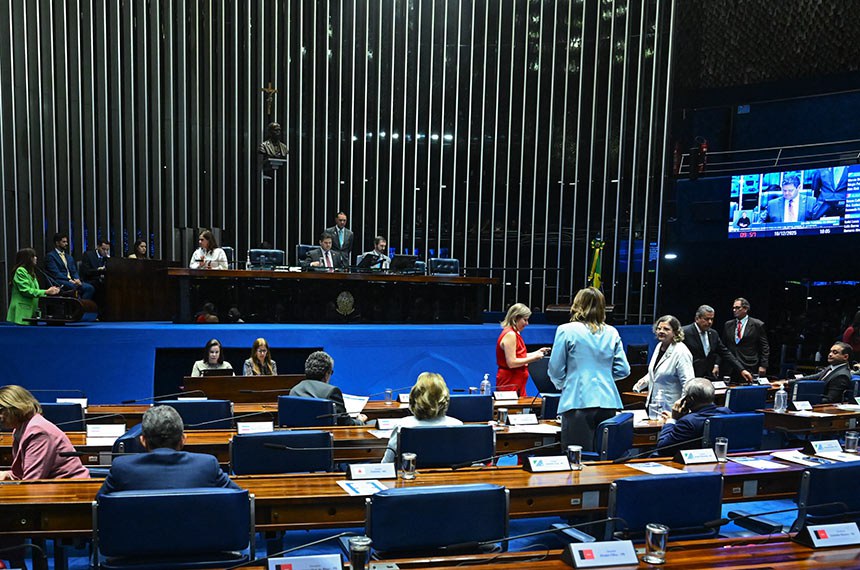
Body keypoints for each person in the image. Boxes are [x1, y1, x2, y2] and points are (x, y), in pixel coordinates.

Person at [548, 288, 631, 451]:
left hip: (577, 401)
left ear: (577, 305)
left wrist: (565, 384)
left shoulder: (566, 330)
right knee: (604, 456)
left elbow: (555, 368)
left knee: (577, 458)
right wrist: (604, 377)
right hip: (608, 402)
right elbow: (624, 370)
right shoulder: (612, 332)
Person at [97, 405, 239, 494]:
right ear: (183, 439)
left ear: (142, 441)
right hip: (196, 541)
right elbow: (238, 499)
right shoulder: (207, 465)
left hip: (138, 541)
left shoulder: (122, 468)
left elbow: (100, 506)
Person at [0, 385, 90, 481]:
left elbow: (32, 480)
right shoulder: (20, 429)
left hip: (70, 489)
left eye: (1, 410)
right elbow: (23, 473)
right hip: (51, 487)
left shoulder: (38, 431)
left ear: (16, 408)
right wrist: (7, 474)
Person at [382, 372, 462, 463]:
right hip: (449, 477)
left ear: (413, 397)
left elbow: (386, 464)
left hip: (411, 475)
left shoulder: (402, 425)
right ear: (445, 399)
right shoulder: (457, 425)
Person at [633, 315, 694, 412]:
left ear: (675, 332)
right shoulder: (659, 346)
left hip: (671, 408)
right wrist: (645, 380)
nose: (661, 331)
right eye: (658, 328)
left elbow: (688, 384)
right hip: (653, 404)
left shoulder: (681, 352)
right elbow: (656, 372)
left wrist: (682, 407)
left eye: (666, 329)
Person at [655, 378, 732, 455]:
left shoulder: (687, 422)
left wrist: (672, 420)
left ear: (689, 399)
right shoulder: (727, 413)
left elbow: (662, 448)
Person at [290, 351, 366, 425]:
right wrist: (360, 421)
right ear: (327, 373)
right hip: (325, 436)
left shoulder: (294, 390)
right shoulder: (331, 391)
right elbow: (345, 423)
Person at [682, 305, 752, 382]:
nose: (710, 322)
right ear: (697, 318)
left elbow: (726, 353)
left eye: (712, 319)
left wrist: (741, 369)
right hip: (689, 377)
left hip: (707, 378)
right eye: (706, 319)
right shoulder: (685, 332)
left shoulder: (713, 334)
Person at [495, 303, 551, 397]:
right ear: (515, 318)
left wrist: (537, 352)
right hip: (509, 383)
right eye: (525, 320)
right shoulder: (510, 335)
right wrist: (534, 358)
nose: (527, 323)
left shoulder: (515, 333)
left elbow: (519, 356)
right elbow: (512, 362)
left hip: (517, 383)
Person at [6, 248, 60, 325]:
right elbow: (26, 291)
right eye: (33, 256)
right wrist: (46, 291)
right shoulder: (20, 271)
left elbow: (34, 290)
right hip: (21, 312)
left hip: (30, 311)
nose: (36, 258)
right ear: (27, 258)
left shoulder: (31, 272)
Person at [721, 297, 769, 381]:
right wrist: (716, 364)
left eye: (737, 308)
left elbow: (764, 346)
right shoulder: (728, 325)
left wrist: (763, 365)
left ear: (745, 309)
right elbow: (722, 345)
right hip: (730, 365)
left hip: (748, 363)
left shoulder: (757, 324)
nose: (734, 310)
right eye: (733, 308)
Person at [44, 232, 95, 300]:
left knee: (90, 288)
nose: (66, 244)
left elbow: (74, 271)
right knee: (75, 287)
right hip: (61, 281)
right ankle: (79, 307)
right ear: (57, 243)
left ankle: (81, 307)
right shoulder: (51, 256)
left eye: (66, 242)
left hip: (73, 281)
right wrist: (69, 280)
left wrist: (77, 279)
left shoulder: (69, 257)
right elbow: (56, 273)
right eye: (64, 242)